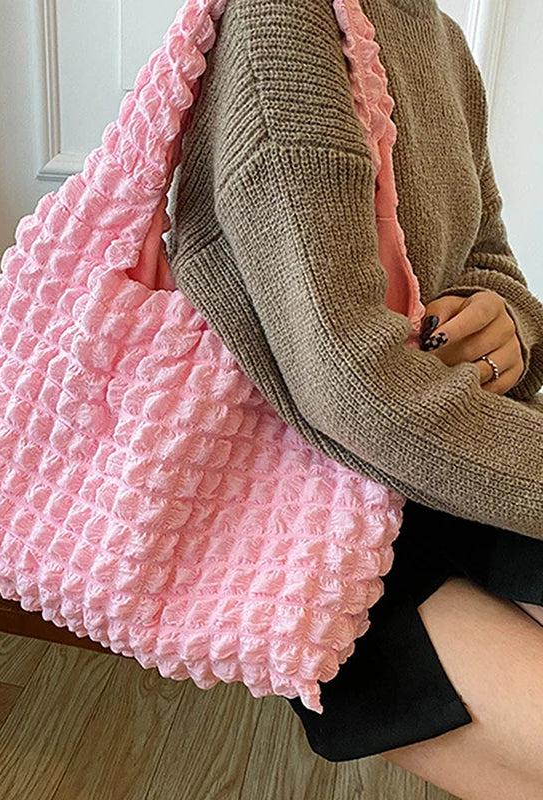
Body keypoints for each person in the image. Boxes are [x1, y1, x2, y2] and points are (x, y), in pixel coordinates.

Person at [145, 1, 543, 797]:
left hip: (451, 472)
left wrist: (513, 324)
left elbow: (487, 254)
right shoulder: (283, 23)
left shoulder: (440, 37)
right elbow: (347, 386)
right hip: (312, 520)